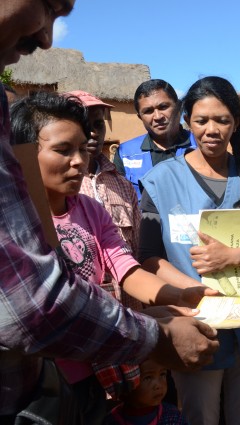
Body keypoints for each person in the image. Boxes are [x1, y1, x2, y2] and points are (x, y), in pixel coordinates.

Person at [0, 1, 218, 421]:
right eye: (63, 151)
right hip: (44, 377)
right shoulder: (20, 220)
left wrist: (181, 295)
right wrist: (157, 335)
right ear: (24, 152)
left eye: (83, 149)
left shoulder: (91, 208)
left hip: (101, 366)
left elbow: (125, 267)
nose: (79, 162)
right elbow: (37, 306)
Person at [139, 76, 240, 424]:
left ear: (236, 123)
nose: (212, 129)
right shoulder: (162, 181)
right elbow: (149, 258)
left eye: (223, 120)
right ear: (187, 122)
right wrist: (199, 293)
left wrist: (233, 257)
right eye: (201, 120)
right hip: (197, 325)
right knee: (200, 415)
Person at [66, 89, 144, 310]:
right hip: (83, 308)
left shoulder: (122, 184)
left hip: (129, 304)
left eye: (98, 125)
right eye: (84, 125)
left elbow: (135, 250)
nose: (92, 133)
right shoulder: (57, 188)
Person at [113, 79, 197, 201]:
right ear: (140, 117)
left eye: (163, 107)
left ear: (178, 107)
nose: (157, 117)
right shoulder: (125, 153)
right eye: (148, 111)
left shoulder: (200, 145)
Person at [104, 358, 188, 425]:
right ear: (126, 384)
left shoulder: (172, 417)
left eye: (162, 374)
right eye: (148, 378)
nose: (158, 385)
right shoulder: (111, 421)